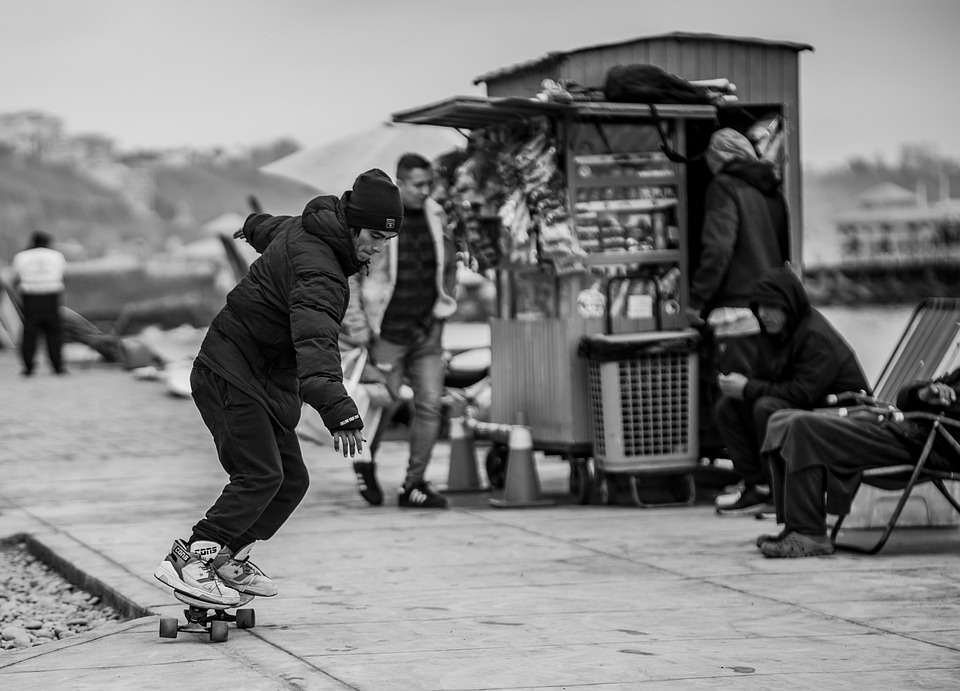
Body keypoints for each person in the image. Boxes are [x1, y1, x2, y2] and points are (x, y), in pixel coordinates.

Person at [154, 169, 404, 606]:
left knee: (290, 481)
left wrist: (250, 226)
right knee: (259, 474)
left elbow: (272, 228)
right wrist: (340, 410)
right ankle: (191, 559)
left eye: (386, 241)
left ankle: (227, 559)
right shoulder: (321, 273)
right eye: (373, 237)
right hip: (230, 373)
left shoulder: (309, 228)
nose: (378, 249)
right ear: (351, 224)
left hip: (259, 377)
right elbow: (316, 344)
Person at [713, 266, 871, 516]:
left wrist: (747, 387)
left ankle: (782, 494)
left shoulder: (814, 336)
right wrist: (739, 386)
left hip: (843, 412)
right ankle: (760, 486)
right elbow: (764, 378)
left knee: (766, 408)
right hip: (809, 403)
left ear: (789, 305)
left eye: (772, 307)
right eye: (760, 307)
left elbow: (802, 393)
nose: (764, 314)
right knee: (728, 406)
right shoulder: (773, 333)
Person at [349, 152, 458, 509]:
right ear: (400, 182)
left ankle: (414, 484)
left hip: (427, 331)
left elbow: (448, 267)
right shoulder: (379, 219)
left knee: (430, 406)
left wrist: (444, 308)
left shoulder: (436, 215)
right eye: (417, 184)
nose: (425, 191)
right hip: (387, 333)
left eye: (430, 183)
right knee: (382, 405)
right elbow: (352, 272)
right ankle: (365, 463)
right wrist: (361, 329)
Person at [758, 368, 960, 557]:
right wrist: (922, 394)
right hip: (903, 432)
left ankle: (808, 532)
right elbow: (904, 399)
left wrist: (939, 403)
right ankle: (795, 526)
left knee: (802, 426)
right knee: (781, 419)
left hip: (923, 446)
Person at [685, 128, 789, 456]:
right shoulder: (772, 191)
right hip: (771, 311)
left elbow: (718, 249)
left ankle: (755, 479)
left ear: (721, 159)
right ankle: (764, 475)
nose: (712, 168)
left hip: (735, 311)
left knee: (733, 399)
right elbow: (784, 250)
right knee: (758, 396)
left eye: (713, 161)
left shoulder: (724, 186)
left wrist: (697, 300)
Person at [11, 230, 68, 376]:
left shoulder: (21, 256)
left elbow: (15, 278)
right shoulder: (56, 255)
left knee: (30, 334)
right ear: (48, 242)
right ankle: (58, 366)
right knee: (54, 333)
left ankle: (28, 367)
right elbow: (62, 274)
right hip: (51, 297)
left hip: (31, 299)